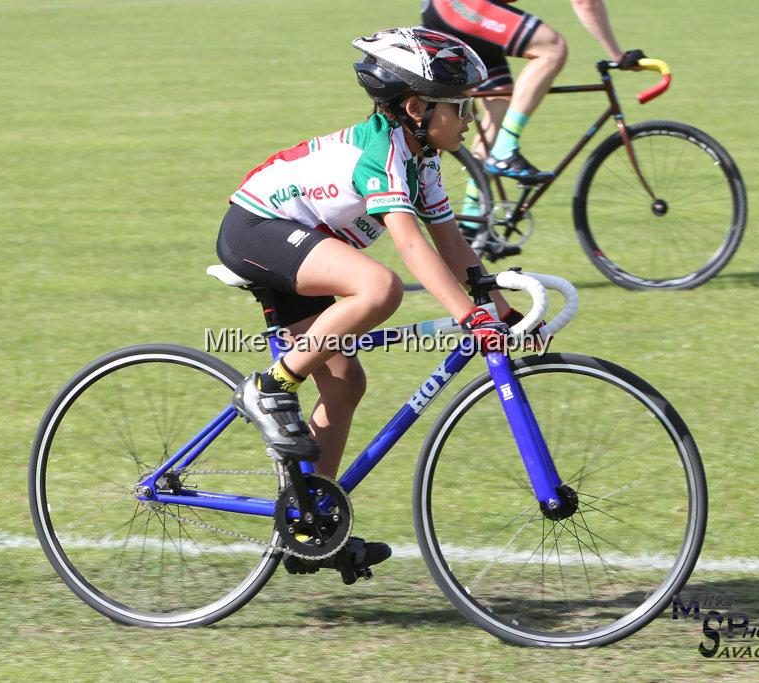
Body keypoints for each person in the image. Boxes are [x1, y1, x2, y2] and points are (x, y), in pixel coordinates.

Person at [216, 27, 528, 580]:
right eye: (459, 107)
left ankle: (308, 520)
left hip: (302, 240)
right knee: (378, 288)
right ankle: (269, 388)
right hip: (258, 227)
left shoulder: (423, 157)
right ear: (416, 106)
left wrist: (500, 310)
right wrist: (466, 315)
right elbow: (409, 243)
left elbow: (451, 244)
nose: (469, 118)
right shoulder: (382, 151)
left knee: (344, 383)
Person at [422, 0, 638, 180]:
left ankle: (474, 222)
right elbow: (585, 3)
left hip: (452, 10)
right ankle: (504, 151)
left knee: (501, 102)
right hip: (458, 7)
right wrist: (618, 56)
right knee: (552, 47)